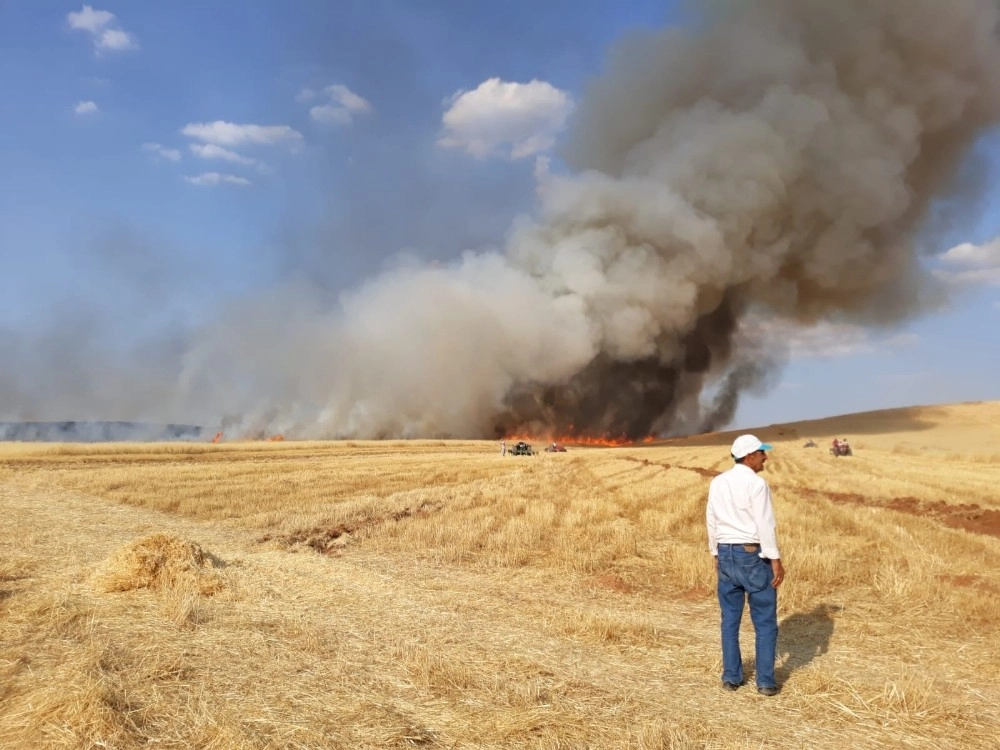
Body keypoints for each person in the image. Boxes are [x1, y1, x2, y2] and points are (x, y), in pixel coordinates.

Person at [706, 434, 785, 696]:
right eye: (762, 452)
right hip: (752, 556)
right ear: (749, 456)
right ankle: (765, 682)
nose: (765, 456)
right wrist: (775, 560)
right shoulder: (757, 484)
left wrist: (715, 553)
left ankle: (731, 677)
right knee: (764, 621)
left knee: (729, 620)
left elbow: (711, 519)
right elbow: (765, 524)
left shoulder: (718, 482)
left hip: (726, 554)